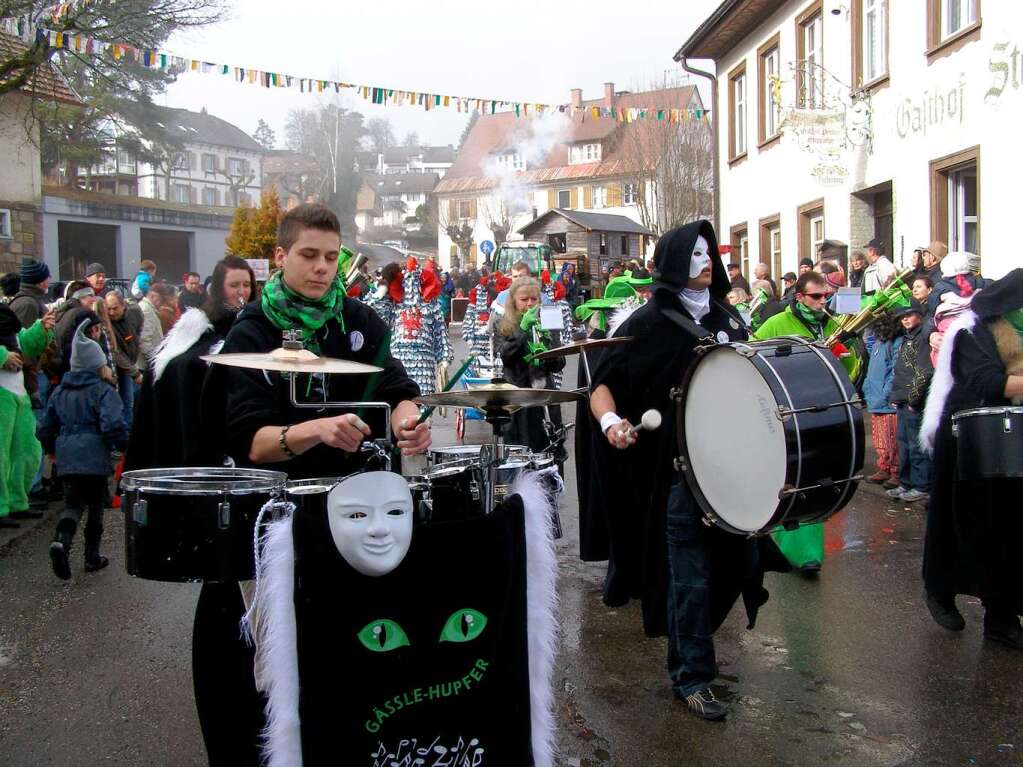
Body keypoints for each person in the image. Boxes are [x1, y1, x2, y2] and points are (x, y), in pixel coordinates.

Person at [590, 221, 773, 721]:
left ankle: (694, 651)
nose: (706, 260)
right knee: (687, 577)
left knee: (737, 566)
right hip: (678, 474)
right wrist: (610, 422)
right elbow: (601, 386)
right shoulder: (641, 324)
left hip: (730, 468)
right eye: (693, 254)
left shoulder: (730, 319)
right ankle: (692, 675)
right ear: (673, 261)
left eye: (707, 252)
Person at [919, 268, 1023, 649]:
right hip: (970, 436)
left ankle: (1002, 619)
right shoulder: (972, 330)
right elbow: (987, 383)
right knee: (962, 523)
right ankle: (940, 588)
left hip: (1015, 437)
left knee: (1011, 531)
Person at [755, 271, 861, 575]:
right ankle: (787, 547)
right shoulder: (776, 323)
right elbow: (751, 357)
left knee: (818, 476)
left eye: (826, 296)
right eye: (816, 296)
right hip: (787, 411)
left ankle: (807, 552)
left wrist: (846, 355)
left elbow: (850, 370)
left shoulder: (832, 324)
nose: (822, 302)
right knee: (792, 475)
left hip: (824, 408)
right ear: (799, 297)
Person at [39, 320, 128, 580]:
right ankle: (91, 556)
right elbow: (113, 425)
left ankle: (61, 542)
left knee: (73, 505)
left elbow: (46, 427)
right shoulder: (103, 391)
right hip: (94, 458)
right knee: (97, 507)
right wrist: (123, 446)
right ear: (97, 365)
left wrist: (51, 450)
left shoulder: (60, 392)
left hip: (67, 457)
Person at [495, 277, 565, 454]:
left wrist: (547, 349)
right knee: (520, 454)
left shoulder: (548, 320)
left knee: (549, 453)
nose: (529, 304)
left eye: (534, 299)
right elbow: (505, 357)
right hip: (517, 399)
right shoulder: (503, 324)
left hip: (543, 398)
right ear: (513, 301)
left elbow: (559, 364)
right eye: (524, 300)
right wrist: (522, 331)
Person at [0, 303, 54, 528]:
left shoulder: (6, 317)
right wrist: (2, 354)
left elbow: (25, 343)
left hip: (19, 394)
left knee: (27, 450)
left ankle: (17, 501)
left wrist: (42, 328)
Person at [886, 300, 933, 504]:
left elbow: (924, 372)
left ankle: (921, 485)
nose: (905, 319)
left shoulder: (923, 337)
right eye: (902, 317)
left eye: (909, 315)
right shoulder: (907, 338)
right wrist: (896, 397)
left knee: (916, 445)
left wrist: (914, 399)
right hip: (903, 400)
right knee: (904, 443)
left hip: (914, 402)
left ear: (919, 315)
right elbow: (901, 371)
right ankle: (906, 482)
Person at [862, 313, 901, 488]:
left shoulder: (895, 342)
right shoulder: (878, 342)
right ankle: (884, 467)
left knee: (891, 439)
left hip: (885, 400)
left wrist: (886, 393)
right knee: (880, 440)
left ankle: (896, 471)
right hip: (875, 397)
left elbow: (894, 370)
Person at [104, 291, 143, 431]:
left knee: (129, 402)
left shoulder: (133, 316)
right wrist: (135, 372)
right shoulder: (107, 325)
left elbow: (136, 336)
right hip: (119, 369)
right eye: (108, 309)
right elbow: (117, 352)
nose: (111, 312)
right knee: (125, 403)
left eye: (115, 308)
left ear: (123, 306)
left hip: (129, 365)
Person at [137, 282, 171, 374]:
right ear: (152, 296)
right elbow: (144, 340)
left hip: (147, 362)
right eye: (161, 300)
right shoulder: (146, 310)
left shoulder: (147, 308)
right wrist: (154, 360)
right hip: (145, 365)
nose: (161, 304)